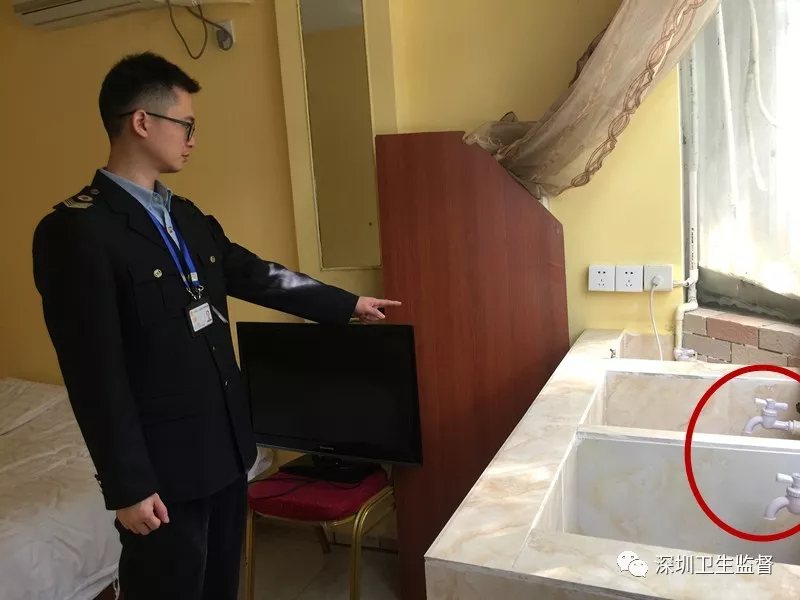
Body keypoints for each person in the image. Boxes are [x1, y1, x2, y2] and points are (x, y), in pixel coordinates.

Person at [31, 52, 401, 600]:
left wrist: (346, 304)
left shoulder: (183, 216)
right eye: (186, 125)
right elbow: (94, 375)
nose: (192, 140)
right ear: (142, 121)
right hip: (164, 471)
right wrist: (127, 486)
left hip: (224, 450)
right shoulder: (78, 232)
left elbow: (252, 273)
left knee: (220, 586)